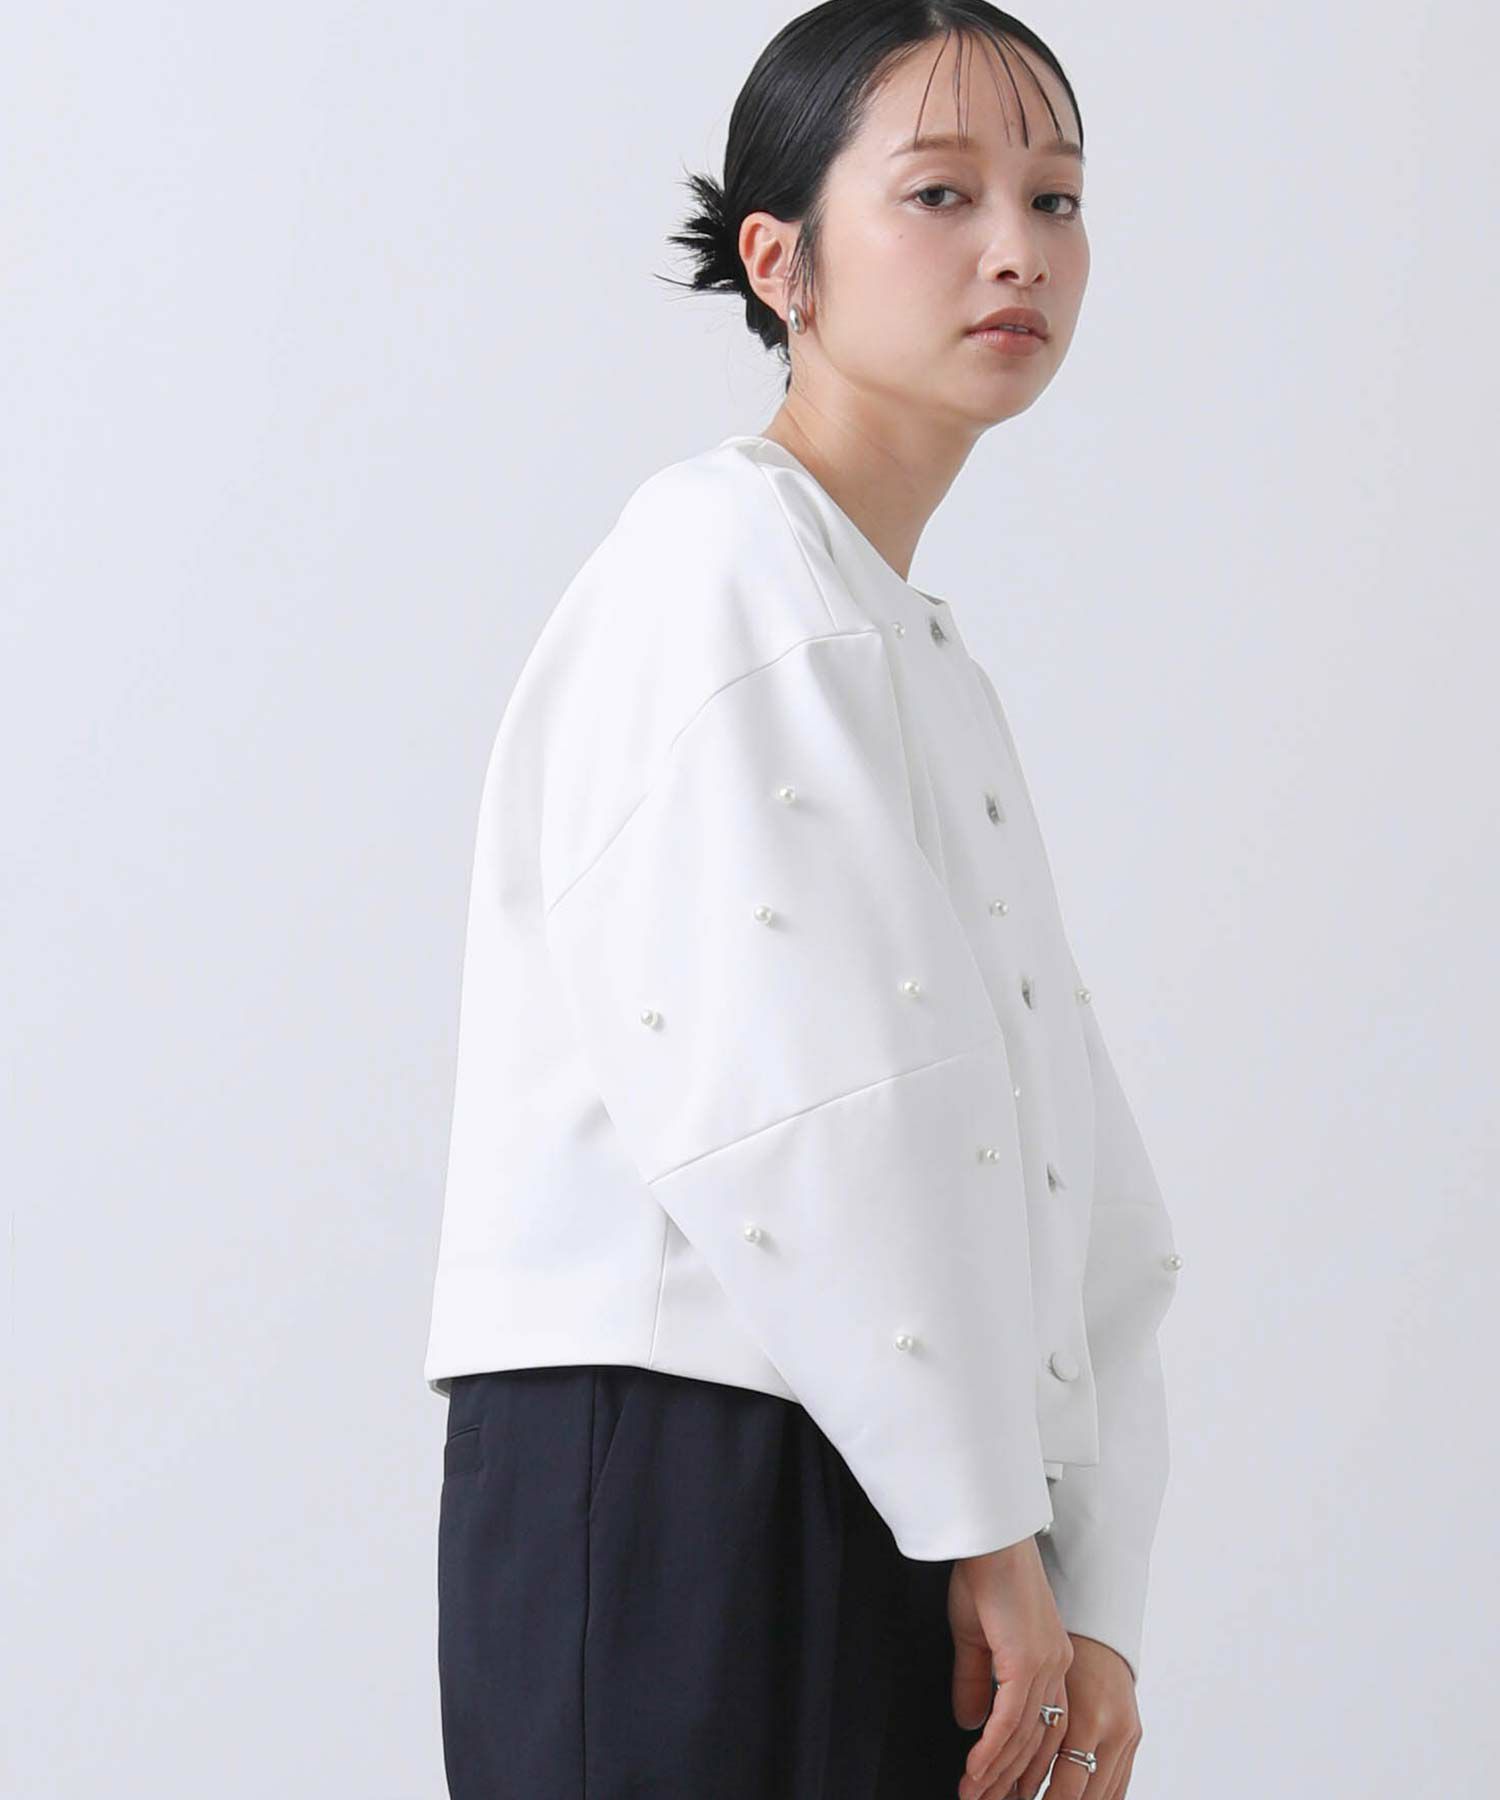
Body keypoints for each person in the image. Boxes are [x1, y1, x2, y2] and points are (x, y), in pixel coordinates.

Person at [424, 5, 1182, 1797]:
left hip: (889, 1464)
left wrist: (1085, 1570)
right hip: (692, 1462)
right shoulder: (721, 565)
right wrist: (988, 1520)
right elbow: (803, 1093)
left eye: (1056, 198)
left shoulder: (907, 638)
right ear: (781, 262)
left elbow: (1059, 1144)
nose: (1019, 248)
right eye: (941, 192)